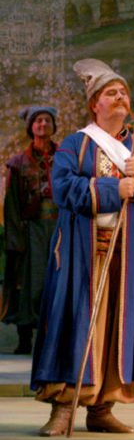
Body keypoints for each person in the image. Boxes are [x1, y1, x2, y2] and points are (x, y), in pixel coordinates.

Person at [30, 59, 134, 436]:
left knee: (116, 326)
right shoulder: (75, 144)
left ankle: (102, 407)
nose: (120, 97)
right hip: (81, 253)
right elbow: (63, 188)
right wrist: (114, 189)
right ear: (94, 103)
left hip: (127, 256)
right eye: (111, 93)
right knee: (76, 323)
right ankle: (63, 407)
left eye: (124, 92)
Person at [1, 106, 59, 355]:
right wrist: (16, 239)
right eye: (38, 121)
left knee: (58, 281)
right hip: (32, 228)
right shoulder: (18, 163)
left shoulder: (65, 158)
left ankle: (55, 338)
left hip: (59, 226)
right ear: (31, 127)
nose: (43, 124)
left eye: (47, 120)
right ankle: (25, 337)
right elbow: (12, 205)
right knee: (30, 282)